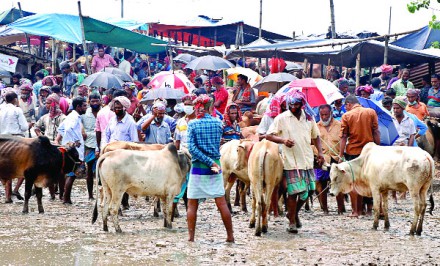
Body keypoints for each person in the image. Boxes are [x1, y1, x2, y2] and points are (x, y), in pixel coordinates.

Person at [266, 90, 325, 233]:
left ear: (302, 105)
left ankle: (293, 213)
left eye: (297, 104)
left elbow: (316, 136)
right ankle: (292, 222)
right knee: (294, 192)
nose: (294, 107)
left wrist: (321, 152)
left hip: (307, 159)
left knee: (309, 191)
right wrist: (283, 141)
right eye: (291, 105)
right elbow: (269, 135)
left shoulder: (309, 118)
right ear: (288, 104)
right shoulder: (282, 118)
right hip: (291, 161)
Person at [186, 94, 234, 242]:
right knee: (221, 202)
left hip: (198, 168)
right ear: (211, 108)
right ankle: (230, 236)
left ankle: (191, 237)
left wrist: (206, 161)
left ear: (198, 107)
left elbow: (192, 149)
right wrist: (212, 162)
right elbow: (218, 142)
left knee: (192, 203)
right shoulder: (218, 123)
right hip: (215, 166)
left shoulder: (192, 124)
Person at [339, 95, 380, 217]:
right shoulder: (371, 112)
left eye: (345, 106)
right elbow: (376, 132)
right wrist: (377, 147)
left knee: (355, 182)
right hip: (369, 152)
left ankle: (356, 210)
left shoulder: (346, 116)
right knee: (370, 180)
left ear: (348, 104)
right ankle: (369, 210)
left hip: (354, 153)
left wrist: (341, 154)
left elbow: (344, 136)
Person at [56, 97, 88, 204]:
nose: (86, 107)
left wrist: (68, 139)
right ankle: (66, 198)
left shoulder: (72, 116)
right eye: (84, 105)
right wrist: (75, 141)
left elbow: (60, 129)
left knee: (70, 173)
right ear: (78, 107)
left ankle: (65, 197)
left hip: (70, 147)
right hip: (74, 150)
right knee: (72, 174)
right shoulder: (74, 117)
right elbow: (68, 129)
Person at [314, 104, 345, 214]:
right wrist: (317, 154)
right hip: (323, 159)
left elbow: (344, 140)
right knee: (321, 183)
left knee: (338, 183)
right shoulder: (316, 127)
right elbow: (312, 143)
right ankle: (325, 209)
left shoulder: (340, 125)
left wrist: (341, 155)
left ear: (331, 114)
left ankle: (341, 209)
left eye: (326, 114)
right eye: (322, 115)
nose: (324, 117)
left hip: (336, 157)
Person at [0, 91, 29, 202]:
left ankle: (7, 197)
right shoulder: (17, 110)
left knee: (6, 168)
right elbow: (24, 127)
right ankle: (16, 189)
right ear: (15, 99)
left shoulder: (1, 109)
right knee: (24, 166)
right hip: (16, 141)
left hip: (3, 141)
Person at [81, 92, 101, 200]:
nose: (94, 103)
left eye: (96, 101)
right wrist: (82, 130)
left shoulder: (104, 112)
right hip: (88, 143)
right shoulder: (85, 113)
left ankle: (102, 193)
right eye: (92, 101)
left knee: (102, 170)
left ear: (100, 101)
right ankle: (90, 195)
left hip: (101, 143)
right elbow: (78, 121)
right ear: (89, 102)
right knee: (89, 170)